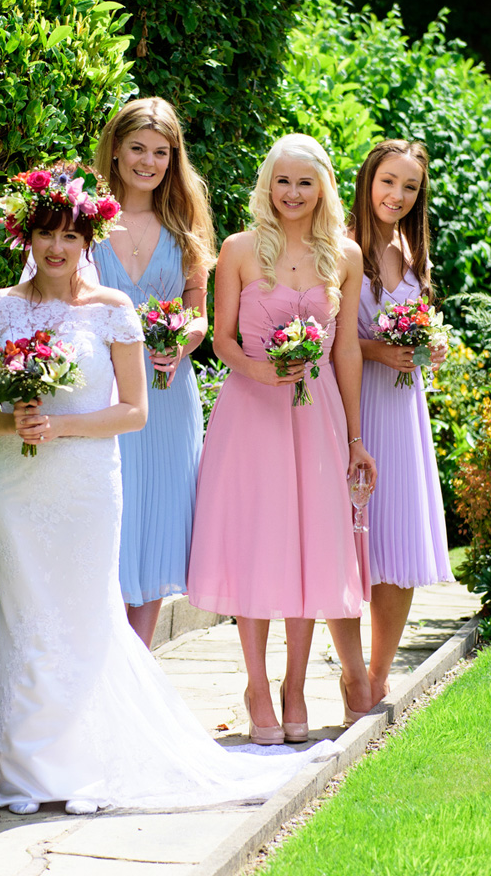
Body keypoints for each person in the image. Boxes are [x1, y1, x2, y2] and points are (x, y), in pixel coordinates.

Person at [0, 179, 331, 816]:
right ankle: (26, 773)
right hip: (18, 487)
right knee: (26, 617)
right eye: (46, 233)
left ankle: (84, 768)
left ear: (87, 242)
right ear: (26, 236)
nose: (58, 247)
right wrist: (13, 422)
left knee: (83, 614)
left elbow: (134, 411)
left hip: (86, 482)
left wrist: (61, 428)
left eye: (71, 235)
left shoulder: (112, 308)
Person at [187, 134, 377, 745]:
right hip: (250, 412)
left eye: (305, 182)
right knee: (257, 543)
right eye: (282, 181)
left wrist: (355, 437)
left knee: (306, 546)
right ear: (267, 185)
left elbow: (345, 348)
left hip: (315, 416)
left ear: (322, 187)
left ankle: (296, 685)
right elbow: (220, 340)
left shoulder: (343, 256)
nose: (292, 193)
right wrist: (263, 370)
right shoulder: (239, 250)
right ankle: (258, 688)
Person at [89, 98, 216, 647]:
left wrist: (186, 338)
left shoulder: (183, 221)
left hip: (167, 391)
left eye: (161, 152)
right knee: (111, 521)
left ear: (174, 157)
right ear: (115, 151)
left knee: (160, 521)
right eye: (137, 148)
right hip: (105, 391)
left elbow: (198, 309)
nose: (148, 161)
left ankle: (138, 665)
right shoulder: (86, 219)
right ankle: (107, 659)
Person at [350, 140, 453, 706]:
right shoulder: (341, 245)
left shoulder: (412, 252)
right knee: (352, 534)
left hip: (404, 405)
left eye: (410, 187)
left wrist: (430, 345)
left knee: (399, 539)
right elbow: (328, 335)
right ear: (369, 179)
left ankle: (378, 673)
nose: (397, 195)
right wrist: (374, 351)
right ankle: (348, 670)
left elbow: (418, 323)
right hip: (357, 403)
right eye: (389, 181)